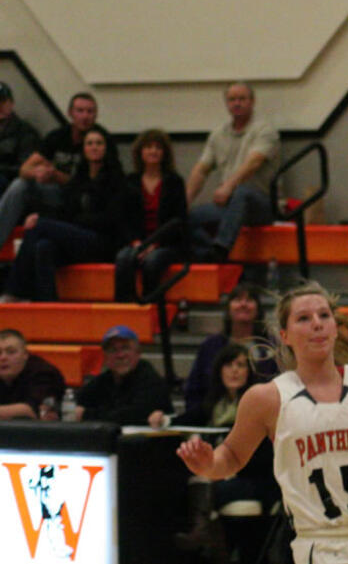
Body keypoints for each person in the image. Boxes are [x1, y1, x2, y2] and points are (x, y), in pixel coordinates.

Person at [177, 283, 348, 564]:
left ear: (335, 328)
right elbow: (231, 456)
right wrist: (208, 465)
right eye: (303, 318)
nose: (317, 324)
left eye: (324, 316)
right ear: (284, 336)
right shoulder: (267, 398)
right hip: (323, 545)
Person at [151, 342, 278, 563]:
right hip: (223, 475)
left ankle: (203, 530)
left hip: (255, 478)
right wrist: (162, 419)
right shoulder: (212, 404)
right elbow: (184, 420)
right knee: (194, 478)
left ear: (249, 371)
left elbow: (264, 458)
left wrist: (228, 465)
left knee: (207, 481)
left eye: (241, 365)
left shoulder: (256, 402)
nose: (235, 370)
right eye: (229, 364)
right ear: (219, 369)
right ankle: (205, 532)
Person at [5, 126, 131, 301]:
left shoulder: (117, 179)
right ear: (84, 149)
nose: (94, 147)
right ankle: (47, 305)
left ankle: (15, 291)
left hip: (104, 243)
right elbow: (64, 211)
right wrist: (37, 216)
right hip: (78, 239)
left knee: (41, 226)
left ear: (106, 148)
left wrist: (73, 223)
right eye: (90, 143)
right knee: (43, 246)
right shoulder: (79, 178)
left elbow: (111, 220)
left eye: (99, 143)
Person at [187, 82, 280, 263]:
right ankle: (212, 254)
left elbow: (254, 162)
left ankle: (221, 248)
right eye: (232, 100)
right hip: (230, 206)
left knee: (242, 192)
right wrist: (186, 201)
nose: (237, 103)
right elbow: (201, 169)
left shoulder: (265, 130)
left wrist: (228, 186)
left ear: (252, 102)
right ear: (226, 104)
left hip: (261, 205)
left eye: (242, 99)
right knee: (187, 218)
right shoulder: (218, 134)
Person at [0, 92, 108, 248]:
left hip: (82, 199)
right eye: (80, 111)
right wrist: (38, 173)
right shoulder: (58, 136)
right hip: (54, 193)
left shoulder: (100, 140)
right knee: (20, 185)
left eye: (90, 111)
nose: (85, 116)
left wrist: (55, 176)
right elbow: (24, 169)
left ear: (96, 115)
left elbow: (88, 184)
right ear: (70, 113)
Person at [114, 129, 188, 302]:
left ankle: (150, 307)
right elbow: (121, 219)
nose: (153, 151)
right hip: (137, 242)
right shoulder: (129, 181)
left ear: (164, 153)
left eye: (158, 147)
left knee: (152, 261)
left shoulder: (175, 182)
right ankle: (125, 308)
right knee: (123, 258)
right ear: (140, 152)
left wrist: (154, 244)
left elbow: (179, 220)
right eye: (148, 147)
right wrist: (137, 243)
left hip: (166, 244)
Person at [183, 281, 278, 413]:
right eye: (237, 300)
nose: (243, 304)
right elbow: (194, 389)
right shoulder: (210, 345)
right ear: (228, 308)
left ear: (258, 309)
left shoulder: (271, 346)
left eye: (249, 300)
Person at [76, 324, 173, 424]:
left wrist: (86, 415)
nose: (120, 355)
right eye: (113, 350)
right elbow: (78, 402)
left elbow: (134, 415)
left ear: (137, 353)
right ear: (105, 358)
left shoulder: (151, 380)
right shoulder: (104, 380)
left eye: (125, 348)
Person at [0, 328, 66, 420]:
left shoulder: (43, 373)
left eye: (11, 352)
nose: (3, 357)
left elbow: (31, 411)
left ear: (25, 355)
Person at [0, 82, 40, 196]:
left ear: (11, 104)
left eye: (2, 102)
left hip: (9, 184)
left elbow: (25, 168)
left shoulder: (24, 132)